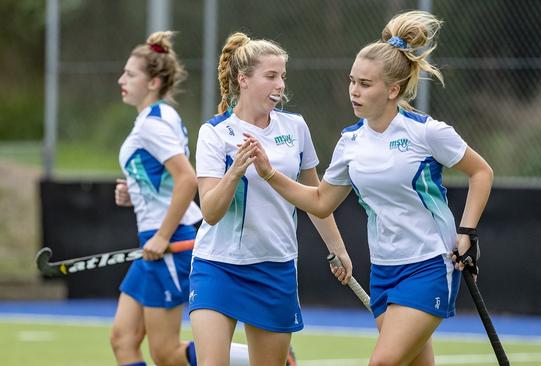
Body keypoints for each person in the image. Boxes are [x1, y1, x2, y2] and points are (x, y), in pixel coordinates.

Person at [247, 10, 494, 365]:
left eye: (365, 84)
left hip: (428, 263)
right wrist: (270, 174)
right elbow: (319, 203)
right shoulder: (350, 142)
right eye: (352, 81)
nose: (354, 91)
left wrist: (467, 232)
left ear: (393, 89)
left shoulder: (426, 132)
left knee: (381, 363)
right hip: (383, 269)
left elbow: (481, 172)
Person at [188, 32, 352, 366]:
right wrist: (234, 172)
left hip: (274, 266)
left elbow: (315, 198)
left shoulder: (295, 128)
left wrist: (338, 249)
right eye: (271, 76)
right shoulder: (215, 133)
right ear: (243, 79)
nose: (280, 85)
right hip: (217, 265)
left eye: (282, 76)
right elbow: (211, 212)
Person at [112, 31, 252, 366]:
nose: (122, 79)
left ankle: (268, 358)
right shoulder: (158, 117)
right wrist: (136, 192)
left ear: (154, 82)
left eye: (131, 74)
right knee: (122, 338)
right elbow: (163, 180)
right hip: (155, 238)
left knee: (166, 353)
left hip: (168, 240)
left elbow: (187, 179)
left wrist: (162, 236)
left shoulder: (153, 125)